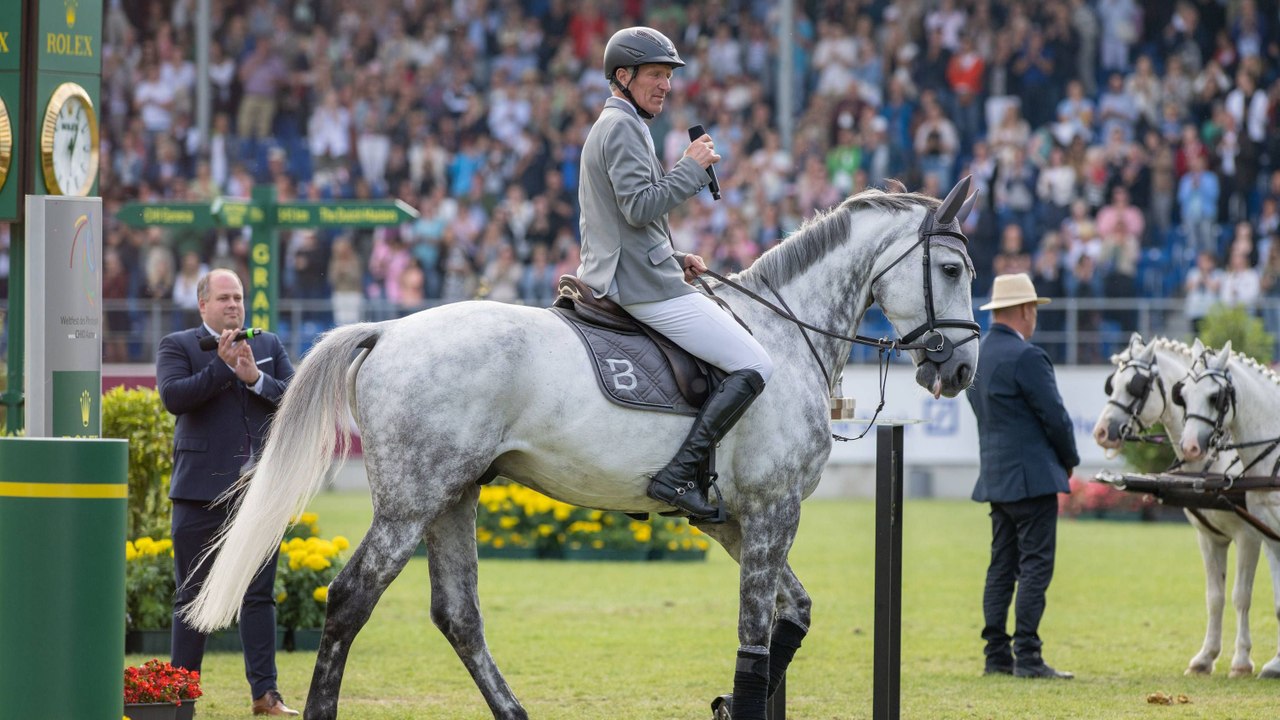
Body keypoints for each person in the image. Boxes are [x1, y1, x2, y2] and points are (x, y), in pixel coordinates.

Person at [577, 26, 773, 521]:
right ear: (622, 76)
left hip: (642, 268)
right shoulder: (621, 126)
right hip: (638, 285)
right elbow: (639, 207)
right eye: (656, 75)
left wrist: (672, 253)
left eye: (668, 76)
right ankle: (678, 475)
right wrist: (689, 168)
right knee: (755, 365)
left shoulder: (624, 123)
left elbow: (628, 221)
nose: (665, 85)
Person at [156, 269, 299, 716]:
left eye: (238, 297)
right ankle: (182, 703)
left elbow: (297, 401)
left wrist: (256, 378)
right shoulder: (176, 345)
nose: (233, 304)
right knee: (191, 597)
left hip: (257, 493)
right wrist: (221, 368)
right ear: (203, 305)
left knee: (258, 596)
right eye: (223, 298)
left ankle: (265, 696)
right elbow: (174, 398)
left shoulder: (269, 345)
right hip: (198, 492)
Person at [967, 273, 1079, 680]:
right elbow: (1056, 418)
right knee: (1034, 566)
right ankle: (1028, 655)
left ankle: (996, 655)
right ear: (1026, 310)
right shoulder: (1027, 357)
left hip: (997, 477)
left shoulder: (979, 356)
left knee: (1001, 567)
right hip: (1032, 479)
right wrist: (1069, 459)